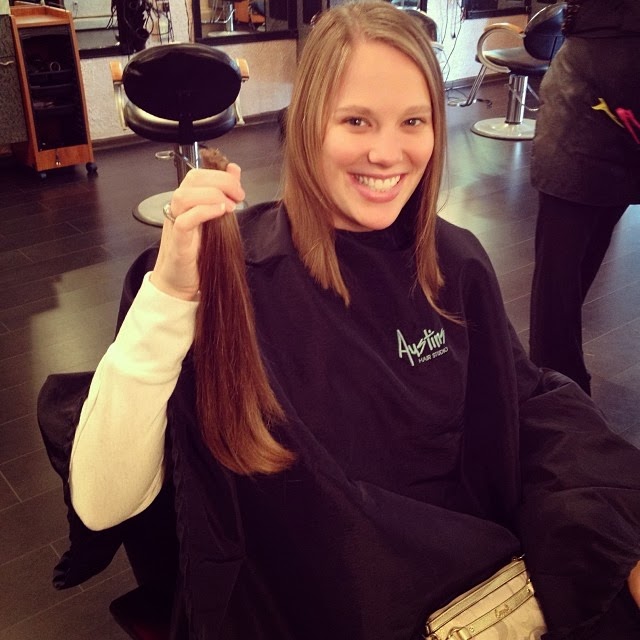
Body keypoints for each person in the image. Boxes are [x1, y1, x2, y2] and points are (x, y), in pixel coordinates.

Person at [65, 1, 640, 638]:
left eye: (413, 120)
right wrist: (170, 296)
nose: (387, 153)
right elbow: (102, 502)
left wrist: (620, 526)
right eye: (356, 120)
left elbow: (527, 402)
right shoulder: (224, 277)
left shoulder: (455, 262)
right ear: (308, 123)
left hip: (472, 575)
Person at [529, 0, 640, 395]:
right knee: (560, 277)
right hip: (585, 102)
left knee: (582, 262)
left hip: (627, 112)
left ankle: (559, 386)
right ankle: (557, 390)